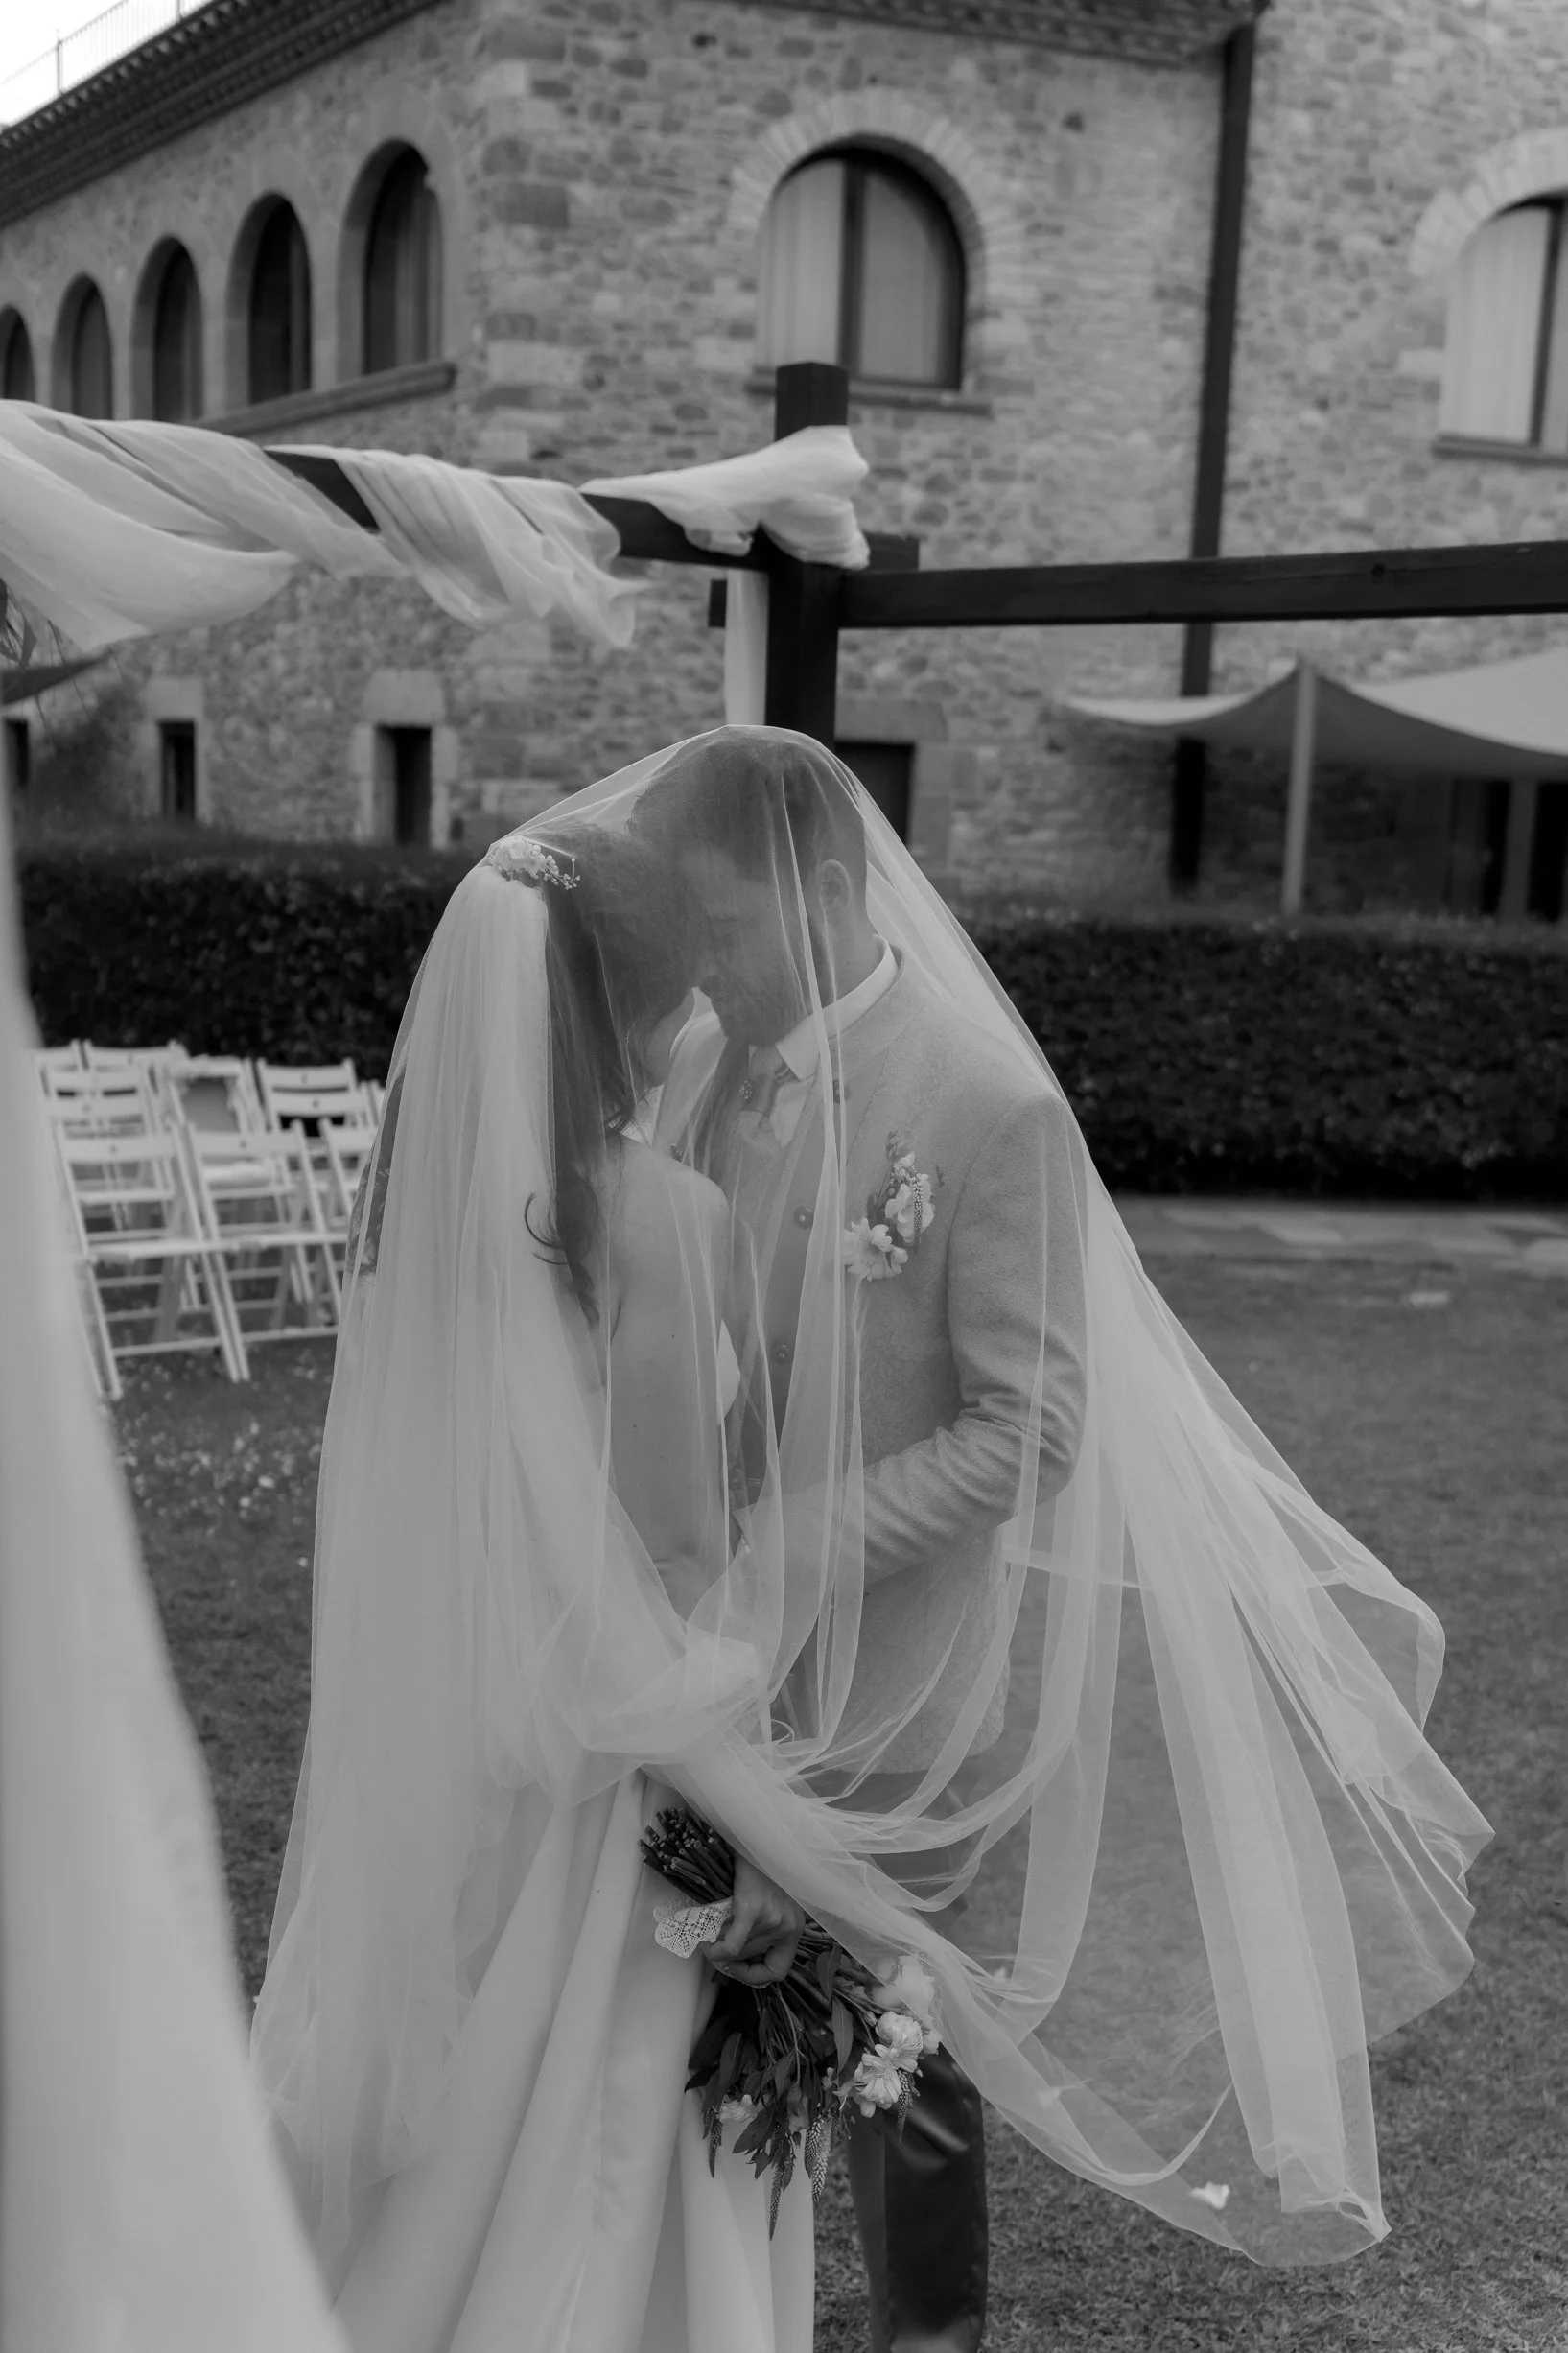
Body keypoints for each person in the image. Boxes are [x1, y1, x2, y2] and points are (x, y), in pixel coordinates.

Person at [254, 725, 1489, 2353]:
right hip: (672, 1649)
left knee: (901, 2039)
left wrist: (795, 1542)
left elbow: (1027, 1427)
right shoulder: (696, 1074)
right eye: (686, 943)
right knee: (700, 2030)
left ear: (828, 890)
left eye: (731, 936)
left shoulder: (986, 1109)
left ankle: (928, 2337)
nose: (703, 978)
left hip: (893, 1662)